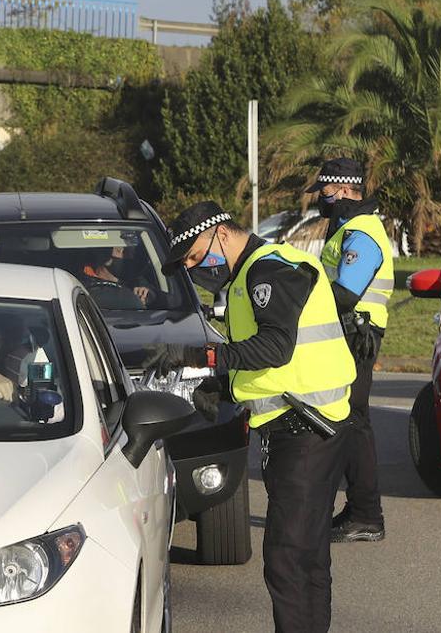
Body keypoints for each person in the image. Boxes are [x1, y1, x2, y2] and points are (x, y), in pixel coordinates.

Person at [153, 201, 354, 633]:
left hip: (307, 428)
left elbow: (274, 349)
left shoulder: (271, 270)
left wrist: (199, 357)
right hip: (296, 424)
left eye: (193, 256)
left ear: (220, 234)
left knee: (288, 558)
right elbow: (269, 367)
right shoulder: (249, 276)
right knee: (307, 555)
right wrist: (224, 389)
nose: (193, 268)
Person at [307, 158, 392, 543]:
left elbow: (345, 293)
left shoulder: (362, 232)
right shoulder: (345, 227)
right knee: (350, 421)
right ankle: (359, 507)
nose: (320, 199)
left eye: (323, 192)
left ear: (341, 190)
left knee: (354, 424)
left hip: (358, 338)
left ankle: (367, 515)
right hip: (346, 335)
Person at [81, 241, 153, 306]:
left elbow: (158, 295)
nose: (128, 256)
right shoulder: (82, 282)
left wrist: (148, 294)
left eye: (127, 251)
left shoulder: (135, 281)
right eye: (120, 250)